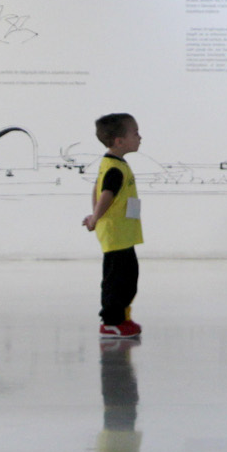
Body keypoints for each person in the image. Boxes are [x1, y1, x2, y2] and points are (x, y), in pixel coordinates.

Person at [83, 112, 145, 339]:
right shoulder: (114, 168)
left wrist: (94, 216)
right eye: (135, 133)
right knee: (118, 281)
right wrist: (95, 218)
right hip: (116, 234)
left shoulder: (113, 164)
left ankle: (122, 318)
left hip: (122, 234)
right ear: (119, 141)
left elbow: (96, 187)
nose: (140, 137)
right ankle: (110, 322)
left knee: (128, 279)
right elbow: (106, 194)